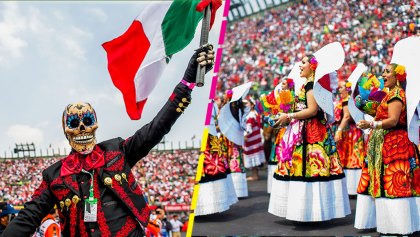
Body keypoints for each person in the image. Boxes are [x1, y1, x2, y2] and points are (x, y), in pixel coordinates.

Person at [1, 45, 214, 237]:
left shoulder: (116, 151)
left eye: (87, 121)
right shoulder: (54, 176)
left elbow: (155, 128)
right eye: (75, 122)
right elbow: (28, 217)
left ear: (96, 124)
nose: (82, 127)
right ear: (67, 131)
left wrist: (187, 83)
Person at [268, 54, 350, 221]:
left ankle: (309, 212)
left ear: (312, 67)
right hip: (304, 129)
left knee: (311, 167)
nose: (299, 66)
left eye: (303, 63)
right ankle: (307, 212)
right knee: (305, 168)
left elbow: (312, 110)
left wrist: (289, 116)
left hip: (311, 131)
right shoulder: (307, 85)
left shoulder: (311, 86)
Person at [355, 63, 420, 235]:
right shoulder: (388, 95)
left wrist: (371, 124)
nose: (383, 75)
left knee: (393, 182)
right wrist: (362, 102)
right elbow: (378, 111)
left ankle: (398, 226)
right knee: (383, 182)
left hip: (394, 145)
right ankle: (388, 225)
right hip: (384, 143)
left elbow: (392, 120)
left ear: (397, 76)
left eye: (387, 72)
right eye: (383, 72)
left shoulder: (397, 95)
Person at [333, 80, 365, 195]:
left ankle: (352, 187)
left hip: (350, 132)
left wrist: (339, 130)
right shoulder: (343, 100)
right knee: (346, 157)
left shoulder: (347, 101)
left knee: (351, 156)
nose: (339, 89)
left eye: (341, 87)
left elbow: (346, 117)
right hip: (348, 132)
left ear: (347, 89)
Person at [242, 96, 265, 181]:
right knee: (255, 156)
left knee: (253, 156)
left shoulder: (250, 115)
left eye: (246, 104)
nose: (245, 105)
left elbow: (249, 128)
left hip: (252, 140)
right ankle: (255, 174)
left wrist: (245, 136)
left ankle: (255, 175)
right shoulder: (254, 113)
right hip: (256, 139)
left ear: (252, 105)